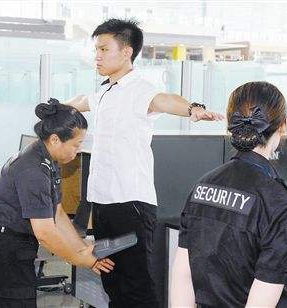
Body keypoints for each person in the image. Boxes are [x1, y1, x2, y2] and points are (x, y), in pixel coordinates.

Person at [65, 19, 223, 307]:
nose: (97, 56)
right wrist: (60, 107)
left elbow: (164, 100)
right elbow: (82, 100)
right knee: (112, 282)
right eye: (95, 49)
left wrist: (192, 109)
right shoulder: (104, 93)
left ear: (127, 52)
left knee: (136, 286)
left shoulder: (141, 89)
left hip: (131, 204)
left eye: (103, 49)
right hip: (102, 202)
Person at [171, 81, 287, 307]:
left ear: (230, 126)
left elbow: (182, 275)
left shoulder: (203, 186)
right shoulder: (280, 202)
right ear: (284, 125)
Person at [0, 99, 114, 308]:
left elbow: (57, 212)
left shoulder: (46, 158)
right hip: (3, 256)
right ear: (56, 139)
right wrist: (81, 259)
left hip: (15, 250)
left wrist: (81, 247)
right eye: (76, 145)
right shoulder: (33, 170)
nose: (77, 151)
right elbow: (45, 233)